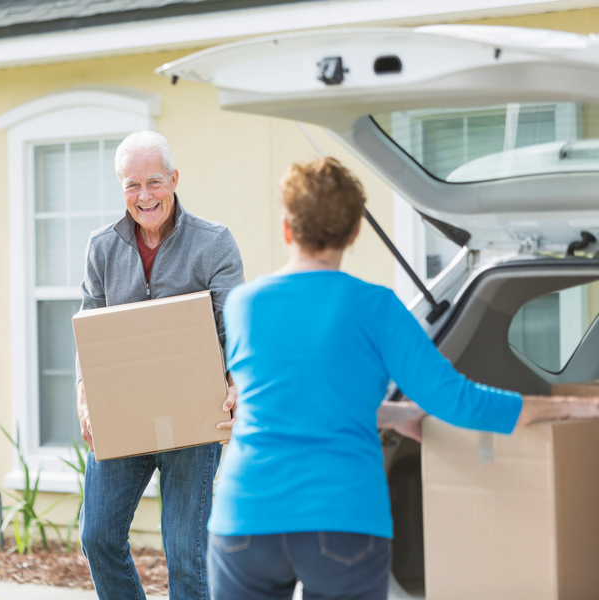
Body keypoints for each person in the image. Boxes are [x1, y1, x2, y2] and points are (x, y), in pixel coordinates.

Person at [207, 157, 599, 600]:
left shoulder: (241, 305)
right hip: (342, 519)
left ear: (286, 228)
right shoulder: (375, 306)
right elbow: (457, 401)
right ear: (354, 233)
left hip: (246, 519)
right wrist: (577, 405)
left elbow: (295, 400)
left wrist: (392, 414)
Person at [75, 131, 244, 600]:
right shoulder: (101, 248)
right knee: (98, 537)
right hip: (124, 414)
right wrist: (85, 398)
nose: (144, 196)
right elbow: (88, 333)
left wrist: (236, 382)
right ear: (121, 188)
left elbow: (236, 330)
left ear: (174, 179)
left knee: (185, 554)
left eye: (154, 182)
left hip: (193, 417)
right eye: (132, 185)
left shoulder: (213, 243)